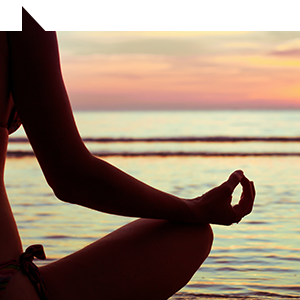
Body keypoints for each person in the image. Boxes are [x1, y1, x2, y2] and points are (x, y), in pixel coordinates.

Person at [0, 6, 255, 300]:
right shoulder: (18, 11)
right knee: (190, 234)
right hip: (6, 284)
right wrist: (195, 208)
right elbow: (71, 176)